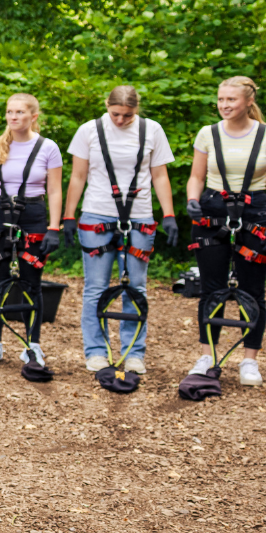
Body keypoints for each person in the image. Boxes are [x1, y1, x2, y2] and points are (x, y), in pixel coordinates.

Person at [60, 85, 178, 375]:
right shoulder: (89, 130)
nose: (121, 120)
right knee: (96, 288)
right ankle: (96, 352)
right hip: (97, 213)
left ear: (137, 109)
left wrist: (169, 214)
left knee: (136, 288)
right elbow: (78, 175)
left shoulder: (152, 130)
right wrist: (68, 215)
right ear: (106, 106)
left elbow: (159, 175)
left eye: (128, 115)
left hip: (139, 216)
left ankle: (134, 352)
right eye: (116, 114)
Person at [185, 75, 266, 386]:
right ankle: (207, 355)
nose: (224, 105)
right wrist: (191, 199)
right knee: (211, 289)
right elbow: (196, 176)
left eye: (231, 100)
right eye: (220, 100)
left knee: (252, 291)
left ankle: (249, 361)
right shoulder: (208, 134)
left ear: (248, 102)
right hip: (213, 211)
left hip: (255, 211)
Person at [0, 94, 63, 366]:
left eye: (20, 112)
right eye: (10, 112)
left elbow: (55, 190)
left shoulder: (48, 148)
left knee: (31, 281)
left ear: (33, 116)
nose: (13, 117)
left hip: (33, 215)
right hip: (0, 213)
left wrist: (54, 228)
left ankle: (32, 345)